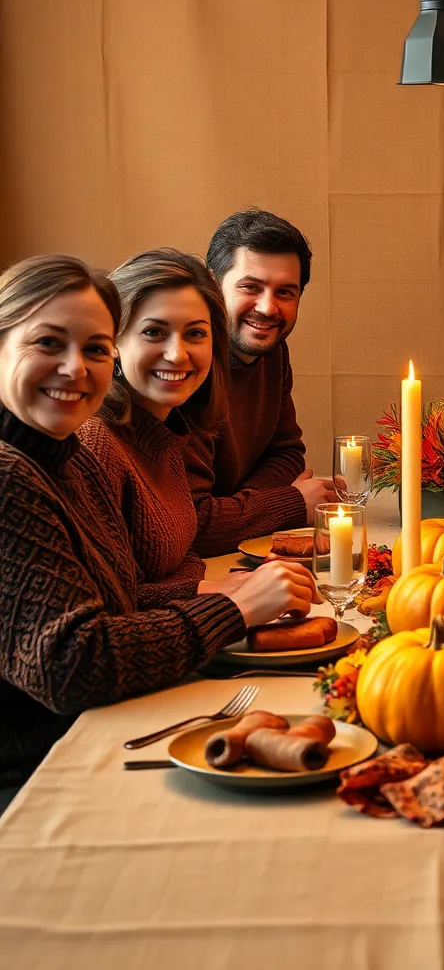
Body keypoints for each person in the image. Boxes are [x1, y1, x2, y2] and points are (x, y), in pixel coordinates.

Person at [0, 255, 318, 790]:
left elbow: (120, 597)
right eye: (48, 343)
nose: (76, 368)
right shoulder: (12, 475)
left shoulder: (64, 458)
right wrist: (230, 607)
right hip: (40, 772)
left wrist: (208, 592)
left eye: (93, 348)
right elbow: (72, 665)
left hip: (96, 730)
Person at [79, 248, 234, 603]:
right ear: (112, 341)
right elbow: (103, 604)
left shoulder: (166, 433)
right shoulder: (94, 442)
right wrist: (205, 590)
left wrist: (201, 584)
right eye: (153, 332)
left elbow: (181, 555)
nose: (177, 354)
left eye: (195, 334)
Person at [183, 209, 338, 557]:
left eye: (285, 292)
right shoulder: (182, 370)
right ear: (210, 285)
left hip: (234, 554)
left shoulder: (272, 352)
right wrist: (291, 502)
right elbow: (193, 526)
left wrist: (241, 508)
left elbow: (287, 454)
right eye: (250, 287)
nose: (268, 308)